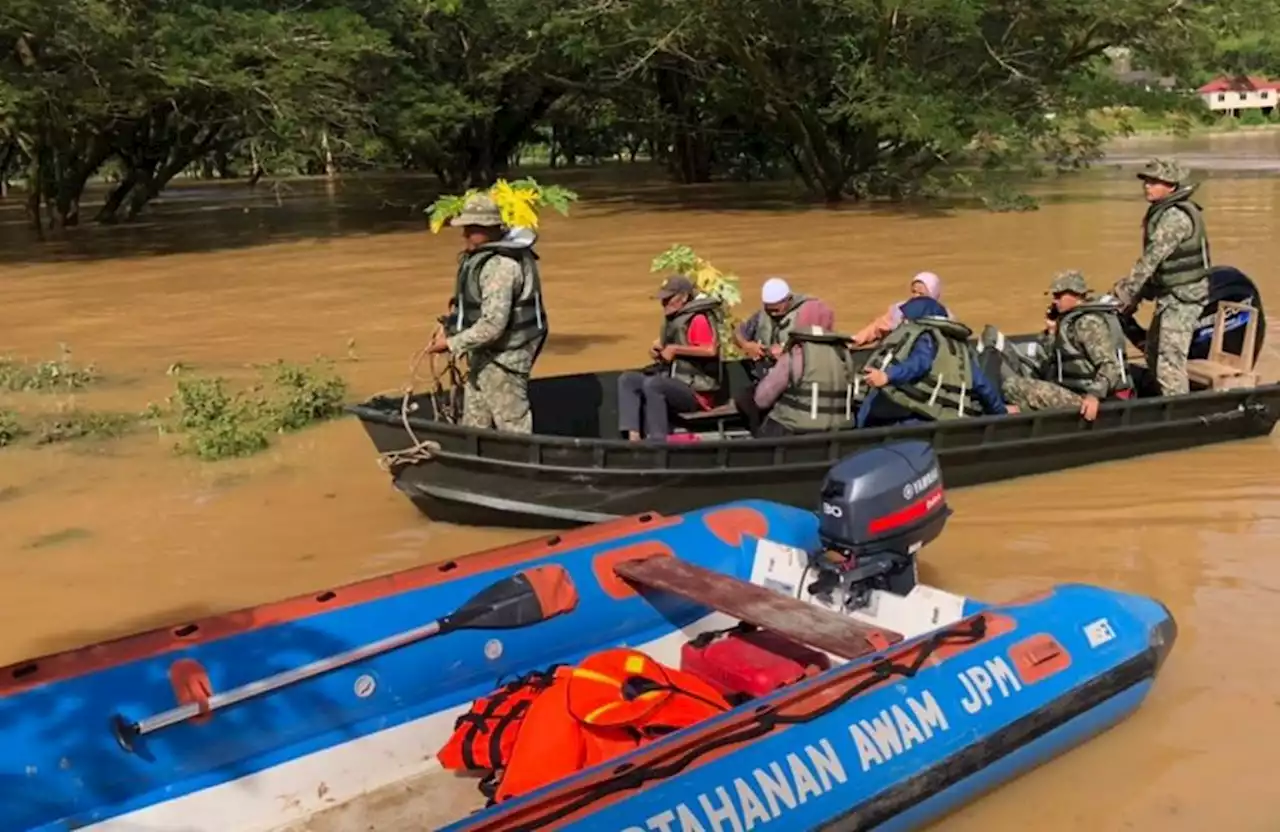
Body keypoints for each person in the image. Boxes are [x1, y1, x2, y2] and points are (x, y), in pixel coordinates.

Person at [427, 193, 548, 434]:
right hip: (484, 356)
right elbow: (472, 308)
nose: (465, 235)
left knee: (513, 428)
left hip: (506, 359)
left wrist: (451, 344)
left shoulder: (501, 267)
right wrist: (449, 325)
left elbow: (493, 326)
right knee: (474, 423)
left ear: (490, 229)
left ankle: (521, 470)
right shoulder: (486, 259)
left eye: (472, 229)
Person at [1111, 158, 1211, 396]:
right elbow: (1158, 269)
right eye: (1147, 181)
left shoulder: (1175, 218)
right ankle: (1162, 402)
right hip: (1169, 296)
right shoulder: (1161, 212)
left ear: (1172, 186)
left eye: (1155, 182)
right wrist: (1136, 294)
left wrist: (1125, 294)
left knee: (1169, 364)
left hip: (1183, 300)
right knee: (1154, 353)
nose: (1147, 186)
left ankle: (1180, 415)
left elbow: (1150, 261)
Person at [1001, 270, 1133, 422]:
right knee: (1014, 385)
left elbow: (1110, 366)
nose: (1054, 301)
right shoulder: (1069, 322)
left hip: (1093, 400)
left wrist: (1094, 396)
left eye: (1058, 296)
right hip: (1074, 392)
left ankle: (1017, 413)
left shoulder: (1088, 323)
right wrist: (1051, 332)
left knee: (1013, 386)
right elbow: (1055, 361)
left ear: (1075, 294)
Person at [856, 296, 1007, 428]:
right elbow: (983, 385)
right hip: (949, 419)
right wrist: (1001, 414)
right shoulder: (959, 348)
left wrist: (887, 376)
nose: (902, 321)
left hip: (913, 418)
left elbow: (919, 363)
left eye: (905, 318)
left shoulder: (924, 336)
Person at [617, 275, 722, 441]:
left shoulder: (698, 319)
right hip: (675, 382)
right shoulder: (675, 320)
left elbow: (710, 350)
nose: (664, 304)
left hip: (696, 395)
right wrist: (658, 350)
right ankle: (633, 438)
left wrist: (675, 349)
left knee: (654, 384)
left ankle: (659, 442)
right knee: (628, 379)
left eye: (668, 299)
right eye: (663, 300)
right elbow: (670, 346)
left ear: (684, 297)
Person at [737, 300, 857, 436]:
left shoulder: (796, 354)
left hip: (795, 431)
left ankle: (758, 449)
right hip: (841, 429)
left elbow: (762, 400)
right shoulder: (844, 354)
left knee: (746, 397)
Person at [733, 277, 813, 378]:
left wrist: (787, 351)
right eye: (769, 310)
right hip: (763, 376)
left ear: (788, 299)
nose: (773, 314)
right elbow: (737, 333)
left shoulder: (807, 313)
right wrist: (746, 345)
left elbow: (816, 349)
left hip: (794, 377)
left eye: (776, 310)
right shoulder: (762, 315)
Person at [850, 271, 947, 346]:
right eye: (913, 292)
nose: (916, 297)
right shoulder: (899, 310)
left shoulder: (944, 316)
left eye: (921, 294)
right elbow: (877, 327)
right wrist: (855, 340)